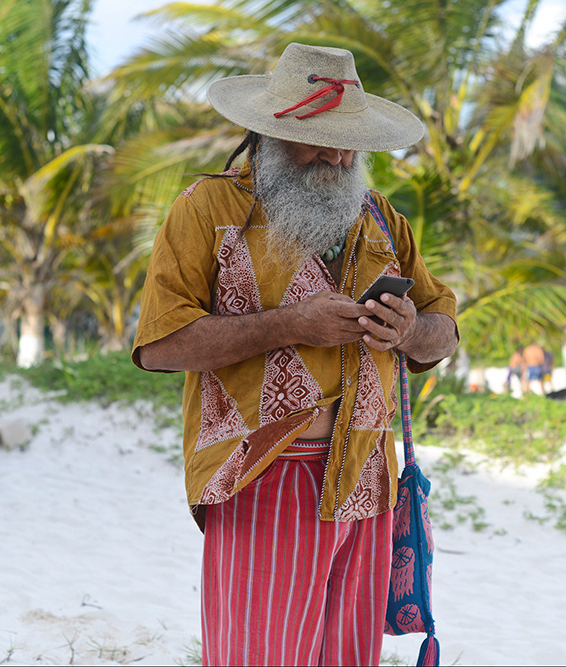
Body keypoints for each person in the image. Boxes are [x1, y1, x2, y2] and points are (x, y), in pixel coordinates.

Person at [131, 43, 459, 666]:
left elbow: (443, 331)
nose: (337, 156)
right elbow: (160, 346)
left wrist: (409, 332)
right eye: (320, 139)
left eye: (349, 142)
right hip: (262, 475)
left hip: (369, 477)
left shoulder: (383, 222)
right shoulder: (206, 210)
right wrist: (289, 325)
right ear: (272, 132)